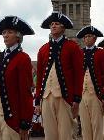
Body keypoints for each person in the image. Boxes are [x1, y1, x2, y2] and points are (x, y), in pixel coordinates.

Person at [34, 12, 83, 140]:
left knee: (66, 134)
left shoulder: (72, 47)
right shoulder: (43, 49)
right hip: (46, 96)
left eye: (57, 24)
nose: (53, 26)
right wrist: (37, 100)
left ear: (63, 28)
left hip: (65, 97)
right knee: (49, 135)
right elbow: (40, 77)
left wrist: (76, 99)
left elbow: (78, 75)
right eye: (52, 24)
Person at [0, 16, 34, 140]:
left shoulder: (23, 58)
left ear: (18, 36)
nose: (5, 35)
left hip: (13, 118)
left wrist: (25, 122)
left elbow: (25, 93)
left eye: (10, 32)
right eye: (4, 32)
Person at [77, 25, 104, 140]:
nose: (87, 39)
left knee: (97, 126)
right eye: (85, 37)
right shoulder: (79, 53)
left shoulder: (101, 53)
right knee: (85, 127)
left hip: (96, 94)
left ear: (95, 39)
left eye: (89, 36)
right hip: (82, 95)